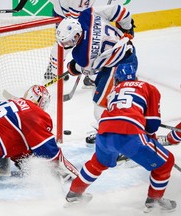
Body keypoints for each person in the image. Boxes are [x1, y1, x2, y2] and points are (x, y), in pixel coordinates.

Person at [65, 63, 176, 212]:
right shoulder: (148, 88)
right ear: (136, 77)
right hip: (129, 133)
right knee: (166, 162)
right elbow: (152, 125)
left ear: (116, 80)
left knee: (98, 162)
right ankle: (154, 202)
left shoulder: (114, 91)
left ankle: (74, 194)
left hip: (104, 131)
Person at [55, 4, 138, 144]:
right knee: (105, 95)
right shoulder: (87, 15)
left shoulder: (82, 56)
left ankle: (119, 140)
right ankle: (109, 129)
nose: (67, 44)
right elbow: (118, 10)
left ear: (76, 34)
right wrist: (127, 26)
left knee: (102, 107)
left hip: (121, 66)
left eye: (68, 40)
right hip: (123, 52)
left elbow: (88, 69)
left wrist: (72, 68)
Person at [44, 0, 96, 82]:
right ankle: (54, 70)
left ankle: (53, 70)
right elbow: (75, 20)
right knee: (66, 43)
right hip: (67, 17)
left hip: (63, 12)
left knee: (65, 43)